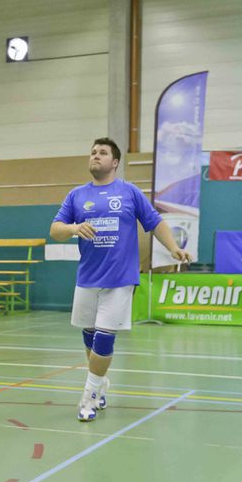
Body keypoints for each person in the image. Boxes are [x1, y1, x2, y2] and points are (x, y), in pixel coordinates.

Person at [50, 138, 192, 422]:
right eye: (93, 152)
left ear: (115, 162)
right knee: (89, 337)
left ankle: (89, 397)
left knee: (104, 339)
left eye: (102, 153)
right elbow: (55, 230)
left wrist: (173, 247)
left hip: (120, 279)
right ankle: (101, 383)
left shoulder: (129, 192)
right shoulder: (77, 195)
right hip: (87, 278)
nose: (96, 156)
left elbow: (155, 222)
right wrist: (74, 228)